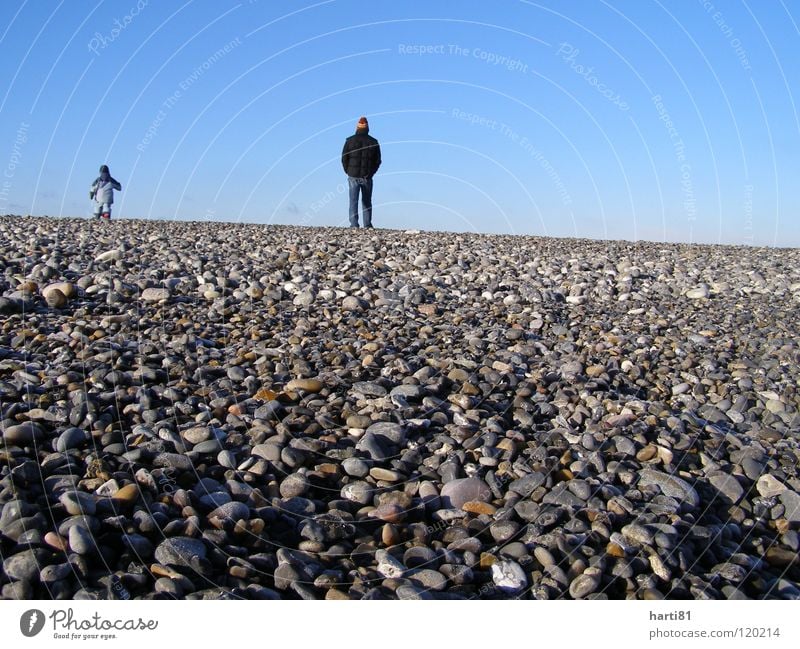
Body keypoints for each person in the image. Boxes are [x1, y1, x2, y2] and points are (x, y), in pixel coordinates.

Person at [341, 116, 381, 228]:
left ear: (357, 128)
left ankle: (354, 224)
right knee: (367, 201)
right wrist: (371, 173)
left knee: (353, 201)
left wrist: (348, 171)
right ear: (367, 128)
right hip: (367, 176)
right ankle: (367, 224)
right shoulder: (373, 142)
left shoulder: (349, 141)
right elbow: (378, 161)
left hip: (352, 175)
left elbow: (344, 158)